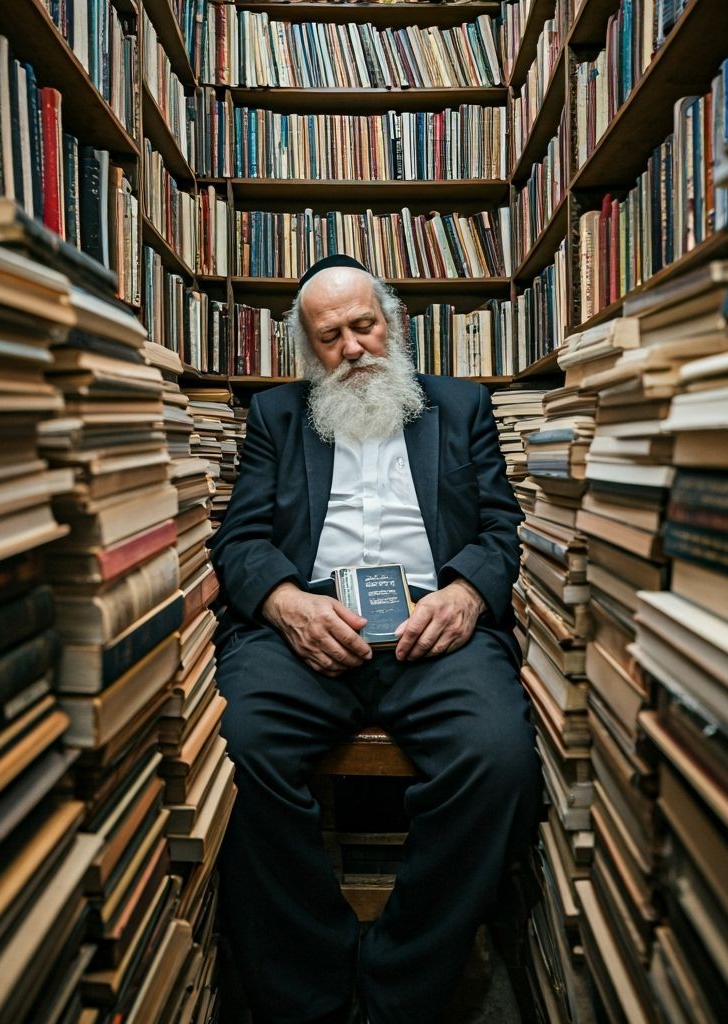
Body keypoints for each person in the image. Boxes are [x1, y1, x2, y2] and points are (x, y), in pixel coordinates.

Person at [209, 255, 541, 1024]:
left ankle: (401, 984)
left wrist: (464, 592)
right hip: (309, 630)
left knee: (499, 763)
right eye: (332, 336)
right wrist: (287, 600)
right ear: (309, 349)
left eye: (365, 325)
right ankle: (310, 987)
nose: (354, 346)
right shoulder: (275, 416)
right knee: (234, 748)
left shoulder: (461, 407)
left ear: (391, 322)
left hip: (437, 627)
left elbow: (502, 529)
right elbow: (240, 539)